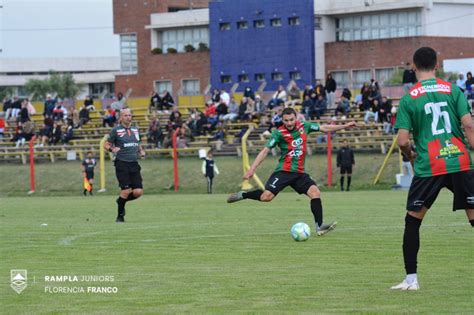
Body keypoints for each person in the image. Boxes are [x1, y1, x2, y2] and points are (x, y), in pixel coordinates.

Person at [391, 47, 474, 291]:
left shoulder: (409, 99)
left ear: (413, 67)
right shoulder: (453, 90)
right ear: (437, 66)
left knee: (413, 221)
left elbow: (403, 141)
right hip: (459, 161)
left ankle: (411, 280)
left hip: (430, 165)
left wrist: (411, 157)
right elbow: (468, 125)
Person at [227, 107, 356, 235]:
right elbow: (265, 151)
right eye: (286, 120)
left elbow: (324, 128)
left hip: (299, 173)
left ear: (296, 117)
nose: (289, 123)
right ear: (282, 120)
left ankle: (319, 226)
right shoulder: (278, 133)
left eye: (291, 120)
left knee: (315, 192)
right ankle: (244, 195)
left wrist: (345, 125)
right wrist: (251, 169)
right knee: (266, 197)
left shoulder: (304, 126)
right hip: (283, 171)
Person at [104, 108, 146, 223]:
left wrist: (141, 151)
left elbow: (138, 143)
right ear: (121, 117)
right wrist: (112, 149)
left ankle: (121, 201)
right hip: (121, 163)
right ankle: (120, 216)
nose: (128, 117)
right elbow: (106, 144)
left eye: (130, 115)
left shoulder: (136, 130)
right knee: (126, 191)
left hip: (134, 163)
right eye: (126, 115)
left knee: (138, 192)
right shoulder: (116, 130)